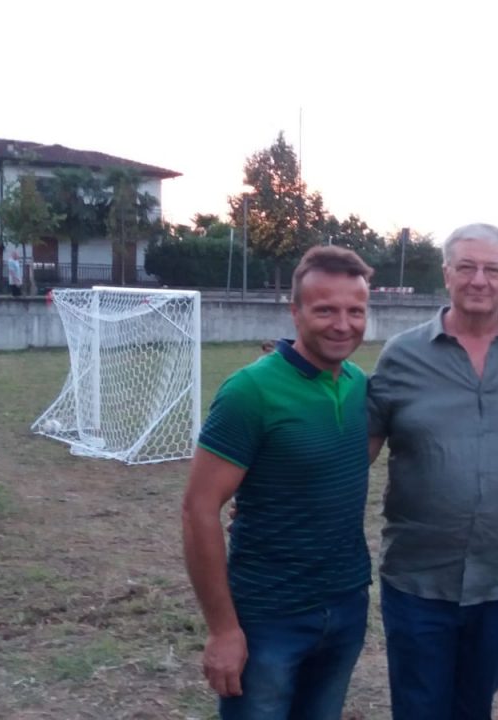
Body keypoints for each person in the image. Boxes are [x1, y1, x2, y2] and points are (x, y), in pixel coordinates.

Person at [367, 223, 498, 720]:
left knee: (475, 707)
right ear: (446, 273)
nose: (479, 280)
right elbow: (360, 446)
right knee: (420, 707)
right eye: (466, 267)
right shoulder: (402, 355)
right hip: (417, 578)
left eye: (492, 269)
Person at [182, 246, 375, 720]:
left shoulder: (360, 386)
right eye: (325, 309)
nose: (342, 324)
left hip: (347, 605)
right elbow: (198, 509)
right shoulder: (250, 392)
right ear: (295, 311)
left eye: (356, 311)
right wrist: (224, 629)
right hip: (269, 615)